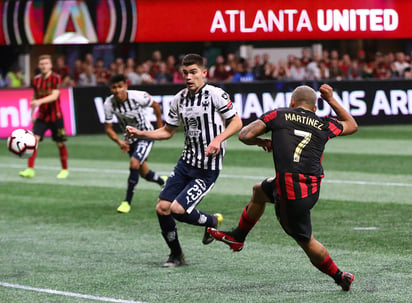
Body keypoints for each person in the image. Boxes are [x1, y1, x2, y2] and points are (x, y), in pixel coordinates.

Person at [208, 84, 358, 291]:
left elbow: (244, 135)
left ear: (292, 103)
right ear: (315, 108)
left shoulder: (278, 115)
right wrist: (331, 99)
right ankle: (237, 237)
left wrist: (261, 141)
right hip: (311, 186)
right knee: (259, 191)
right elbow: (352, 125)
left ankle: (340, 276)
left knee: (305, 240)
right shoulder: (323, 124)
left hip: (291, 192)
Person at [126, 53, 242, 267]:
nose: (189, 77)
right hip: (185, 164)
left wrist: (218, 138)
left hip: (207, 168)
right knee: (162, 208)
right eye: (185, 73)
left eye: (193, 72)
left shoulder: (216, 94)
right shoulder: (179, 99)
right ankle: (176, 254)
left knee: (178, 210)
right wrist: (141, 134)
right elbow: (167, 131)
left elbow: (236, 122)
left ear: (204, 73)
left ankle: (212, 221)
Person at [104, 74, 166, 214]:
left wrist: (161, 127)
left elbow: (155, 105)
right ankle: (163, 181)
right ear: (110, 89)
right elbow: (108, 128)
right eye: (114, 87)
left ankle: (127, 202)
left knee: (134, 163)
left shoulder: (138, 96)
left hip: (145, 135)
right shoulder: (109, 104)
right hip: (130, 139)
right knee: (143, 173)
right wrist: (119, 142)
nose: (117, 90)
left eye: (120, 86)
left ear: (126, 86)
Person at [19, 54, 69, 179]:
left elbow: (55, 96)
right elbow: (35, 96)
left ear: (50, 65)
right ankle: (30, 169)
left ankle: (64, 169)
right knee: (33, 141)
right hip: (42, 116)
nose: (44, 66)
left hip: (56, 116)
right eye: (42, 64)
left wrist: (39, 102)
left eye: (46, 63)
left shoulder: (56, 78)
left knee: (60, 143)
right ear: (39, 66)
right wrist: (32, 112)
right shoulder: (36, 80)